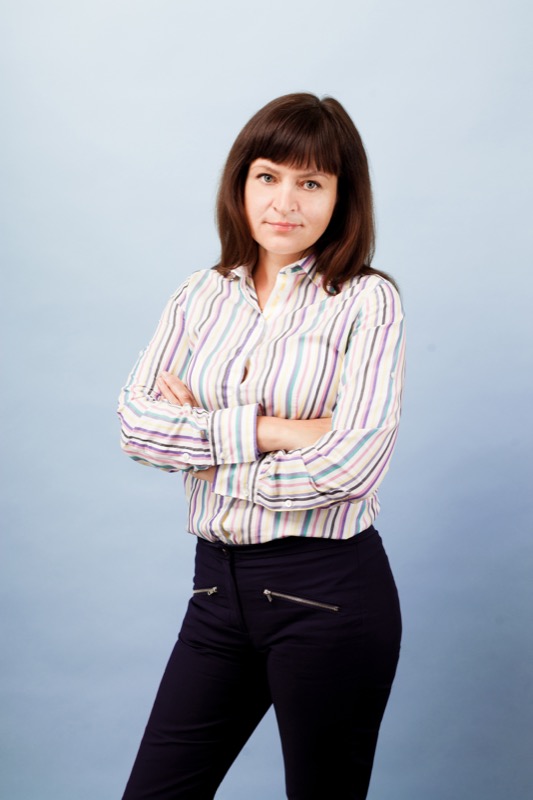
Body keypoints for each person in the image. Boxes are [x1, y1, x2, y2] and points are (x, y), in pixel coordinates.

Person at [117, 92, 405, 800]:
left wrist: (203, 447)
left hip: (326, 594)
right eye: (268, 176)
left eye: (311, 182)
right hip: (216, 590)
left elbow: (351, 466)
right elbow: (135, 427)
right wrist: (270, 432)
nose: (285, 202)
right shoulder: (200, 295)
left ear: (341, 196)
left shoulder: (366, 302)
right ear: (240, 183)